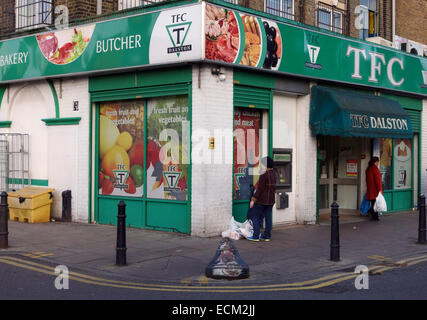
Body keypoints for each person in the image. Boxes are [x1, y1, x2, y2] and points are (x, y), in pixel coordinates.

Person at [247, 156, 276, 242]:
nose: (262, 166)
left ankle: (256, 236)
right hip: (270, 201)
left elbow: (260, 189)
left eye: (263, 164)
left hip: (261, 201)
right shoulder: (274, 174)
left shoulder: (264, 175)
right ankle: (267, 236)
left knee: (255, 217)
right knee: (268, 218)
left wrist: (253, 200)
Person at [365, 156, 383, 221]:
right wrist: (380, 189)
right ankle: (375, 216)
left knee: (373, 203)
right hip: (375, 190)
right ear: (376, 162)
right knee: (376, 203)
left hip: (370, 189)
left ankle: (372, 214)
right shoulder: (375, 169)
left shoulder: (368, 169)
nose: (378, 163)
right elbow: (378, 181)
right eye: (378, 162)